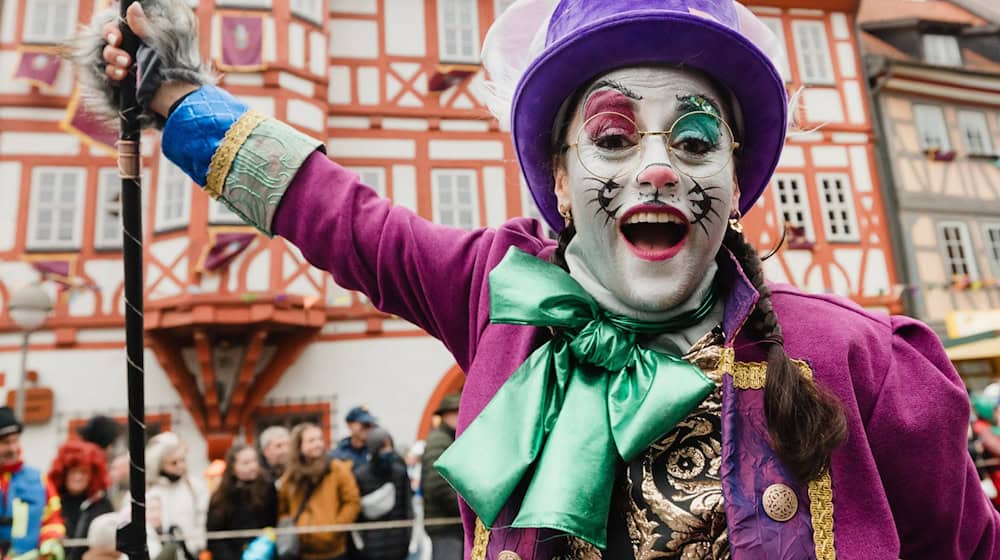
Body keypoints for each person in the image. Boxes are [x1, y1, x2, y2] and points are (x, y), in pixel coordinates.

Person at [86, 0, 1000, 557]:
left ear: (733, 176)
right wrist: (177, 100)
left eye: (693, 140)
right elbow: (340, 216)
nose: (657, 170)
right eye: (612, 137)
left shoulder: (856, 359)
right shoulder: (499, 292)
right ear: (558, 177)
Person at [278, 423, 360, 560]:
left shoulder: (337, 469)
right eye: (311, 441)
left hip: (333, 550)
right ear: (299, 446)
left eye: (320, 439)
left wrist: (335, 528)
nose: (317, 444)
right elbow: (283, 508)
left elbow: (352, 502)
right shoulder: (291, 476)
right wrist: (294, 528)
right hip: (302, 551)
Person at [0, 407, 65, 560]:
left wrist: (50, 543)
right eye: (5, 443)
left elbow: (52, 519)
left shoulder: (39, 479)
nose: (13, 448)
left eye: (15, 441)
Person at [206, 443, 278, 560]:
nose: (252, 466)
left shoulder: (268, 488)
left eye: (254, 461)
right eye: (246, 463)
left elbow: (274, 523)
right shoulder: (221, 496)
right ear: (233, 468)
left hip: (265, 552)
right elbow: (214, 536)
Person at [350, 428, 412, 560]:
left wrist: (408, 539)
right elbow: (357, 515)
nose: (388, 451)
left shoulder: (400, 473)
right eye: (383, 447)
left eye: (390, 446)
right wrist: (361, 546)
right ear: (373, 449)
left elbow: (407, 509)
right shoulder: (360, 476)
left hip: (398, 545)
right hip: (372, 547)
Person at [145, 432, 208, 557]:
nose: (181, 466)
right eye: (173, 462)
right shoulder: (149, 492)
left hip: (191, 553)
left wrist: (197, 546)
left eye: (182, 460)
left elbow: (202, 520)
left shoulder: (195, 487)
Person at [47, 441, 114, 560]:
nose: (78, 477)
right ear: (63, 473)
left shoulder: (101, 504)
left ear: (92, 475)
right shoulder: (52, 501)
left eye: (83, 472)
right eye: (73, 471)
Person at [420, 396, 461, 560]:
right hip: (444, 525)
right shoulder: (440, 440)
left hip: (448, 524)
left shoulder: (449, 438)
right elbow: (437, 485)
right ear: (446, 415)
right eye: (456, 412)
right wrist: (463, 508)